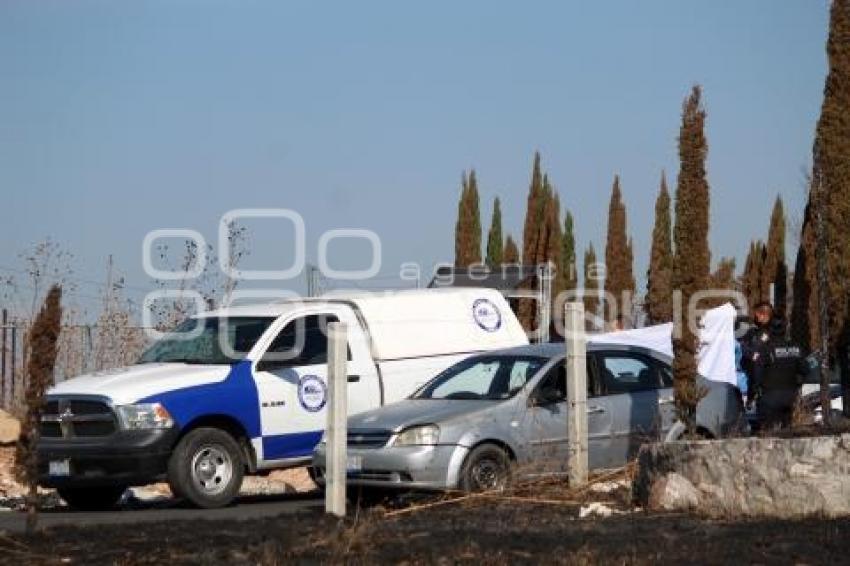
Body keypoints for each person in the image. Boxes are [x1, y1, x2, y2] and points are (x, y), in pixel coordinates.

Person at [752, 315, 808, 430]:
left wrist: (753, 391)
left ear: (770, 330)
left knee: (767, 433)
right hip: (791, 396)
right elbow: (805, 369)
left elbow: (757, 373)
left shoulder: (765, 349)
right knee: (787, 431)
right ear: (785, 329)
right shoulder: (795, 347)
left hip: (770, 397)